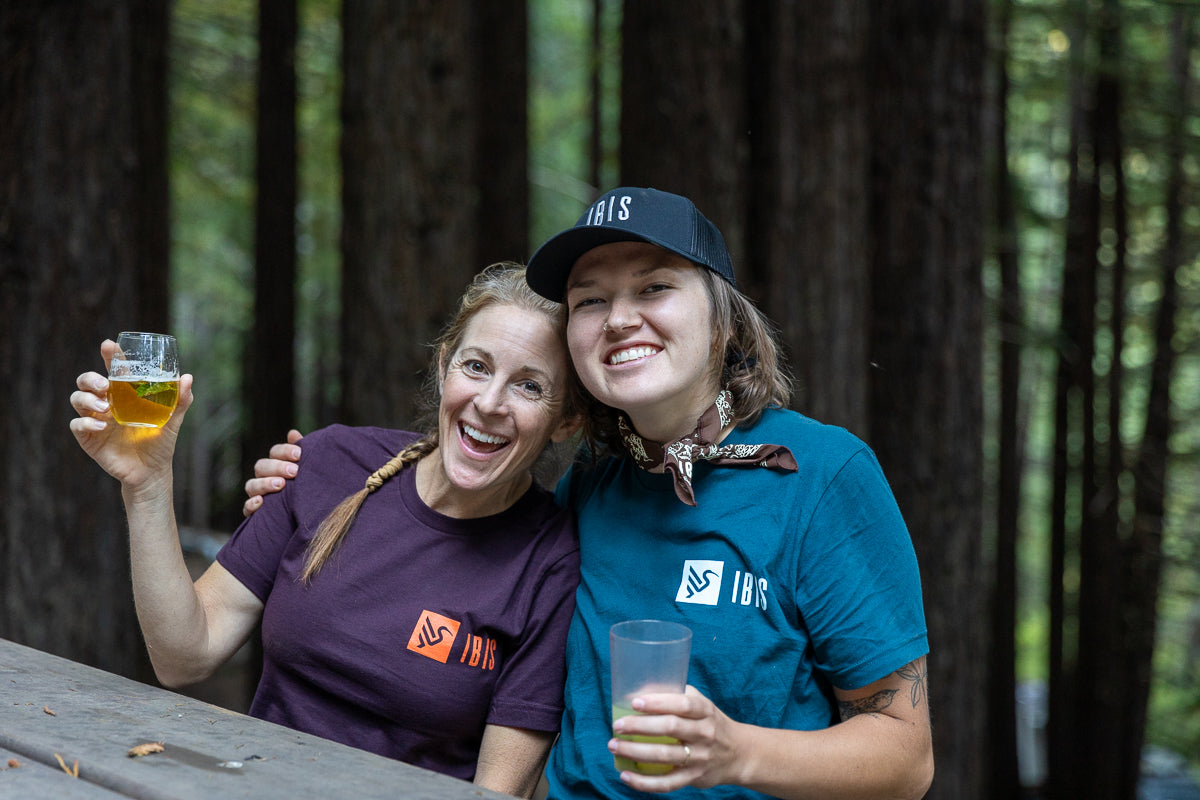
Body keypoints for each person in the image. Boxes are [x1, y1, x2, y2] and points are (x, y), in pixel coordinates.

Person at [247, 188, 934, 800]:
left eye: (654, 288)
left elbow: (906, 759)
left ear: (722, 322)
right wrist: (307, 499)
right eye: (591, 300)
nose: (617, 319)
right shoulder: (587, 488)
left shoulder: (821, 474)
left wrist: (738, 752)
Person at [70, 262, 585, 799]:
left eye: (529, 386)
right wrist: (147, 485)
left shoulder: (551, 561)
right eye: (476, 366)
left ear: (567, 420)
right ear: (443, 365)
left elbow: (498, 792)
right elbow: (184, 654)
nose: (489, 402)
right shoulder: (328, 462)